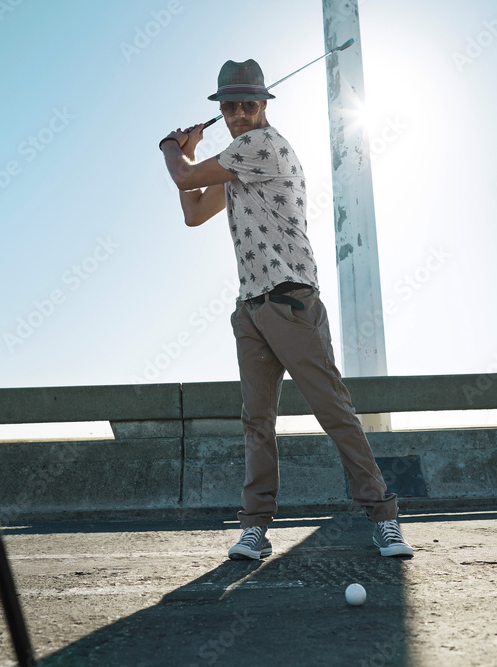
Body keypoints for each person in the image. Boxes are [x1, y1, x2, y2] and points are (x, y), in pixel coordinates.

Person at [159, 58, 411, 559]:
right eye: (228, 106)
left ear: (264, 104)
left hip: (290, 300)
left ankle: (385, 518)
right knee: (257, 421)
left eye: (247, 104)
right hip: (251, 306)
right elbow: (192, 212)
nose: (236, 114)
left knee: (333, 409)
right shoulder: (236, 161)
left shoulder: (260, 146)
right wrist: (191, 157)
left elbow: (184, 178)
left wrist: (172, 148)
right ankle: (254, 527)